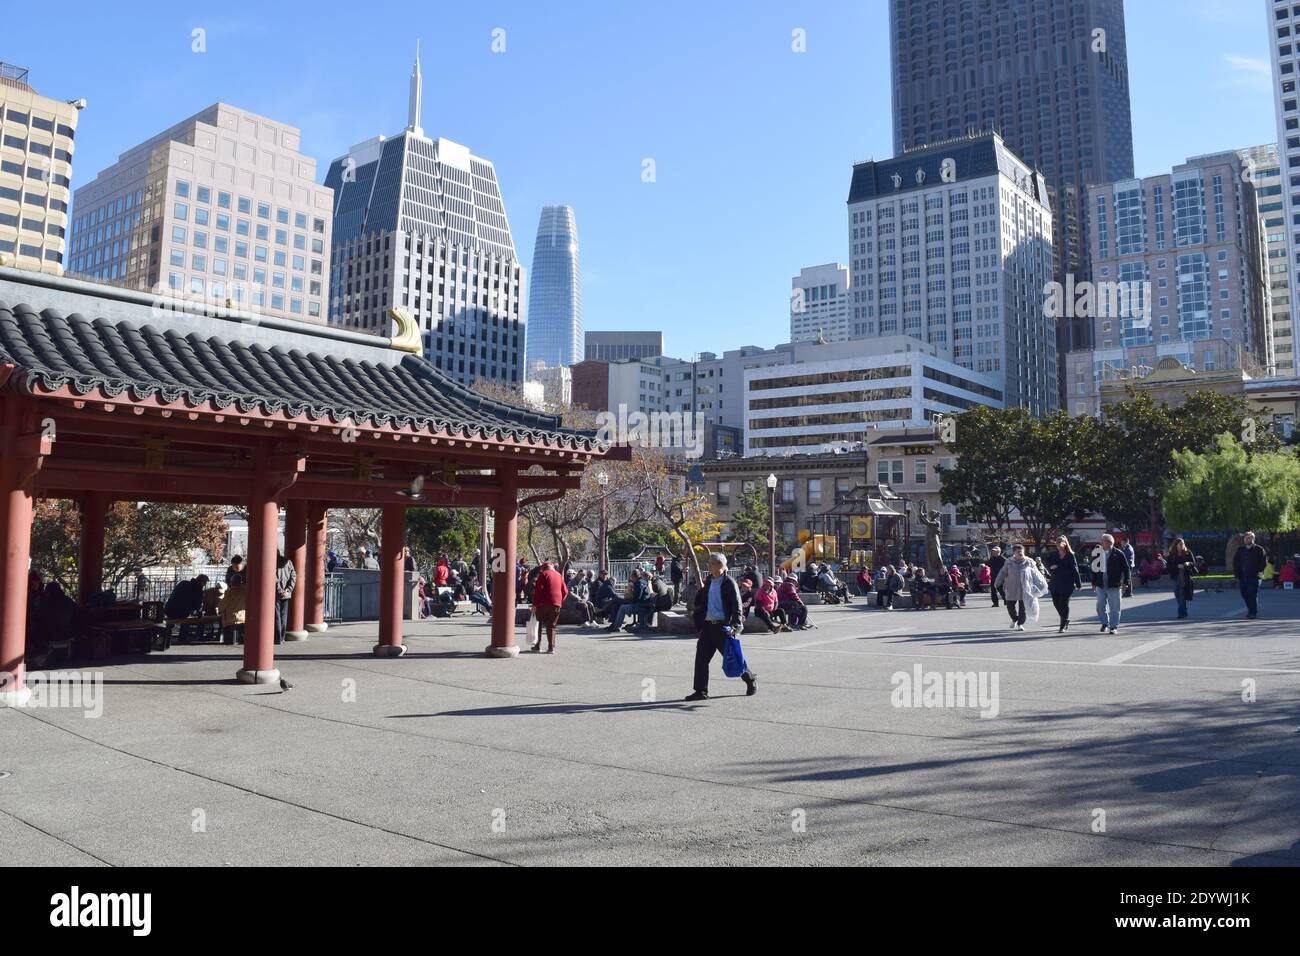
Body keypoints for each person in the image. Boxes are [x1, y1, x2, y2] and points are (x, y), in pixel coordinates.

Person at [686, 552, 756, 701]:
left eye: (711, 564)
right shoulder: (710, 581)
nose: (708, 566)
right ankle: (701, 691)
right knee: (701, 660)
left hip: (722, 628)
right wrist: (698, 614)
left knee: (733, 659)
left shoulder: (729, 583)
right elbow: (703, 601)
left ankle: (750, 679)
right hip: (708, 626)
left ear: (720, 566)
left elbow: (737, 606)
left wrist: (735, 626)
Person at [995, 544, 1047, 631]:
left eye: (1021, 551)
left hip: (1025, 588)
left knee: (1023, 608)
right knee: (1010, 606)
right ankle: (1014, 619)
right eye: (1018, 551)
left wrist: (1041, 583)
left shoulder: (1029, 561)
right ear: (1014, 553)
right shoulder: (1009, 562)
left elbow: (1036, 573)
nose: (1020, 553)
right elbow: (1002, 572)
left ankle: (1020, 624)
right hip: (1011, 588)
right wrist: (997, 582)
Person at [1091, 533, 1131, 634]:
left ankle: (1113, 627)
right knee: (1100, 606)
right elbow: (1094, 569)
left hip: (1114, 585)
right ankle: (1104, 622)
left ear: (1109, 543)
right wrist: (1093, 582)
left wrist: (1126, 582)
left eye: (1102, 541)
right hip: (1101, 585)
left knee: (1115, 607)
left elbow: (1126, 569)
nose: (1100, 542)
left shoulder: (1118, 554)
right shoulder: (1098, 553)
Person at [1044, 537, 1082, 632]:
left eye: (1061, 543)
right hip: (1055, 582)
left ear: (1065, 543)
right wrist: (1051, 567)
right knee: (1056, 603)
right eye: (1057, 543)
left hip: (1067, 583)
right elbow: (1047, 564)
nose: (1059, 545)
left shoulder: (1070, 555)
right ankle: (1065, 619)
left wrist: (1078, 583)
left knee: (1063, 603)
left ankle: (1063, 624)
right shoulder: (1053, 554)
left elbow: (1075, 569)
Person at [530, 561, 568, 652]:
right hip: (556, 604)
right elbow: (565, 591)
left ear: (543, 568)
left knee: (538, 624)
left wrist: (534, 604)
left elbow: (538, 591)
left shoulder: (543, 574)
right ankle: (551, 648)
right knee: (552, 626)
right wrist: (560, 602)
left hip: (542, 604)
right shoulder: (559, 575)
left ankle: (538, 646)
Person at [1232, 530, 1268, 620]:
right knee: (1244, 594)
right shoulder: (1241, 550)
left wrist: (1258, 571)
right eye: (1246, 537)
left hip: (1254, 577)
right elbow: (1235, 562)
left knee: (1252, 594)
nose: (1248, 539)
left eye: (1250, 537)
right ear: (1244, 539)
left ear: (1253, 538)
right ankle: (1251, 609)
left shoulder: (1259, 549)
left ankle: (1253, 612)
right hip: (1243, 577)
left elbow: (1264, 562)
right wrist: (1237, 574)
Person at [1167, 537, 1196, 619]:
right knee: (1177, 594)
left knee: (1182, 594)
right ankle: (1184, 610)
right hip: (1176, 576)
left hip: (1185, 576)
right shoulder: (1172, 554)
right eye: (1180, 544)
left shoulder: (1188, 553)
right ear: (1176, 545)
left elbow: (1193, 563)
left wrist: (1187, 563)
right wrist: (1177, 566)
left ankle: (1181, 613)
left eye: (1183, 544)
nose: (1182, 545)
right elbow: (1168, 566)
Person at [275, 550, 297, 644]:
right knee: (284, 617)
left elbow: (273, 579)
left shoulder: (273, 562)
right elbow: (293, 576)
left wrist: (280, 591)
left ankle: (278, 637)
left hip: (276, 594)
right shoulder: (288, 562)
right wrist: (288, 590)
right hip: (287, 594)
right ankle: (282, 637)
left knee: (277, 617)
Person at [220, 571, 248, 644]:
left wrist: (219, 610)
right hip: (244, 617)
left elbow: (223, 605)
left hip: (231, 617)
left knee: (224, 618)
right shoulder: (246, 590)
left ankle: (228, 640)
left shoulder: (229, 592)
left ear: (232, 582)